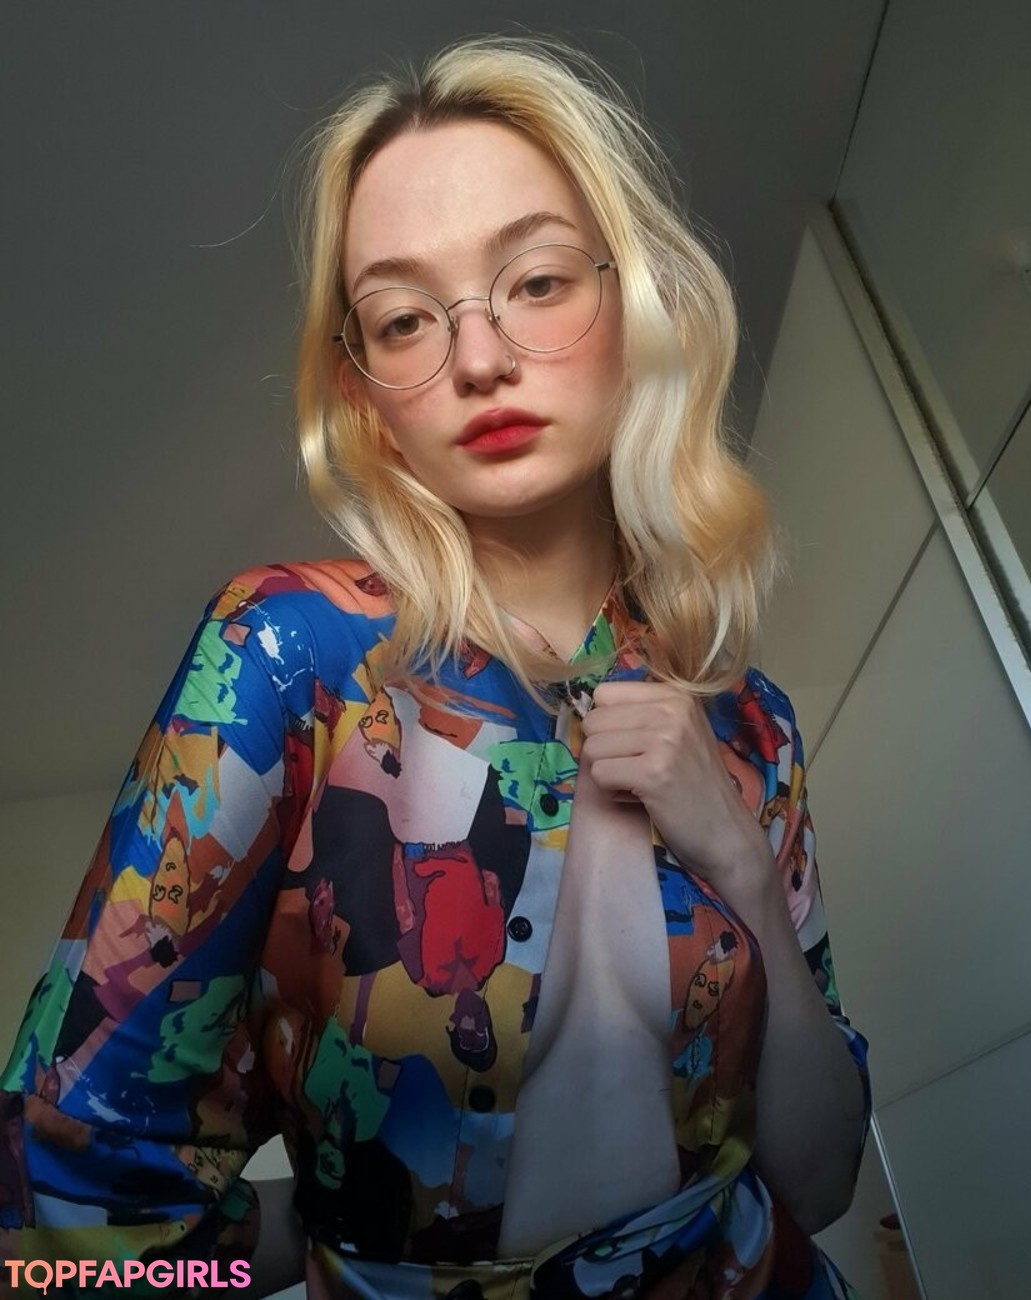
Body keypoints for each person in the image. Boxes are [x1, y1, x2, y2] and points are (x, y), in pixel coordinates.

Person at [0, 36, 870, 1300]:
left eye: (536, 281)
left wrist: (741, 859)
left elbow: (824, 1179)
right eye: (406, 318)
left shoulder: (752, 725)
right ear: (366, 393)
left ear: (632, 308)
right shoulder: (292, 659)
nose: (478, 359)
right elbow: (62, 1234)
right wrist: (326, 1257)